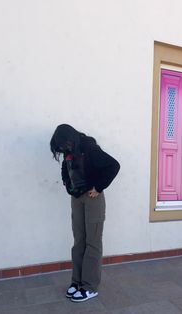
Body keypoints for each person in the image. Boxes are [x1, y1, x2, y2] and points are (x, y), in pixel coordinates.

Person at [50, 124, 120, 302]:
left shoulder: (90, 149)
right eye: (61, 148)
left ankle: (89, 286)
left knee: (93, 242)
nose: (63, 150)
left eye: (64, 145)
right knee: (79, 241)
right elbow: (65, 169)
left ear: (70, 138)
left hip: (92, 198)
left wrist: (98, 186)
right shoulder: (69, 151)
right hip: (77, 199)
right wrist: (67, 184)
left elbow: (113, 165)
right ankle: (77, 282)